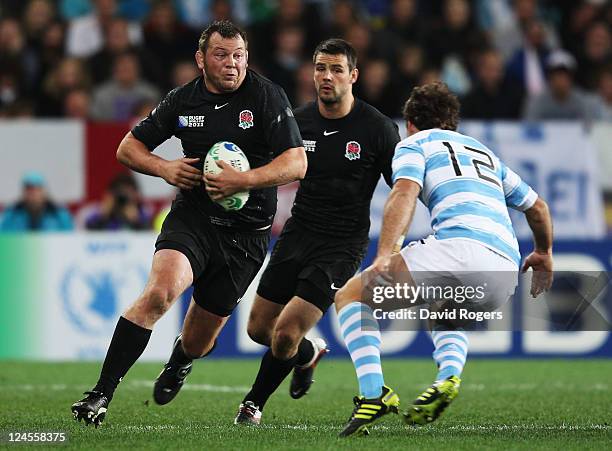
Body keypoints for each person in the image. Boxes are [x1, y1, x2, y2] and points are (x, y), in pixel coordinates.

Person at [70, 20, 306, 427]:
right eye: (221, 55)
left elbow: (296, 162)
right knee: (159, 294)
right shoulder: (183, 100)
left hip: (246, 236)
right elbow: (128, 148)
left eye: (238, 56)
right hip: (194, 218)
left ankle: (181, 359)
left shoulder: (267, 96)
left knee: (198, 341)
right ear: (201, 59)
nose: (232, 64)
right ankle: (99, 395)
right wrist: (164, 168)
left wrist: (243, 179)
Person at [334, 82, 554, 437]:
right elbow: (538, 206)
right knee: (447, 311)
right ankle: (448, 376)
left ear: (409, 122)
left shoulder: (414, 144)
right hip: (504, 270)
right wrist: (543, 252)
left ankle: (374, 394)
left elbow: (404, 192)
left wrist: (386, 254)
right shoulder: (484, 153)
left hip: (459, 251)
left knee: (350, 296)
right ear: (452, 121)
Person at [229, 39, 401, 425]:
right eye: (321, 68)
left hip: (342, 245)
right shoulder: (298, 121)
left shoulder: (377, 129)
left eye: (337, 69)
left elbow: (403, 189)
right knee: (260, 329)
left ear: (353, 76)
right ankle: (307, 355)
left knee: (286, 332)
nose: (327, 76)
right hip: (297, 233)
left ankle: (252, 405)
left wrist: (402, 238)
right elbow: (267, 167)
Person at [0, 171, 74, 231]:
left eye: (37, 189)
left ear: (44, 191)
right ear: (23, 192)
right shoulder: (11, 213)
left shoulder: (58, 214)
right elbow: (3, 236)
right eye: (29, 189)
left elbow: (69, 237)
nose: (33, 193)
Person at [85, 172, 151, 230]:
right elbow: (87, 233)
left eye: (127, 193)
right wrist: (103, 216)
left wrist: (136, 221)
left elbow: (148, 235)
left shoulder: (143, 211)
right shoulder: (95, 211)